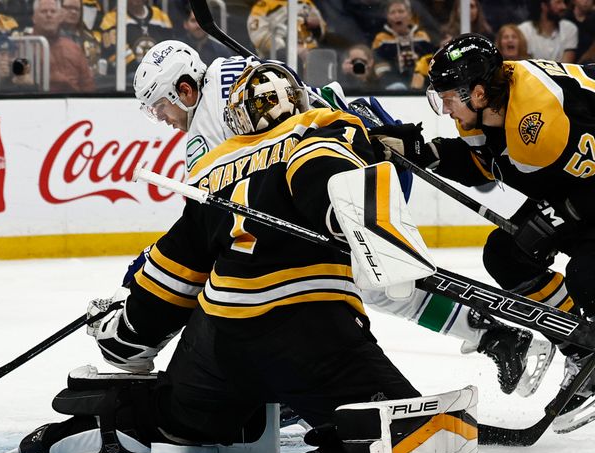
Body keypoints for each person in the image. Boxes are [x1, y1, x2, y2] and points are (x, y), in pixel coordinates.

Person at [17, 63, 479, 453]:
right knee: (428, 431)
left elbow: (172, 273)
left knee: (183, 416)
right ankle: (347, 452)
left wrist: (129, 331)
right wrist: (363, 225)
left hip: (216, 345)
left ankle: (121, 423)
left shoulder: (213, 168)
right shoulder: (320, 131)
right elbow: (325, 180)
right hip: (310, 335)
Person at [132, 40, 551, 398]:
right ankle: (497, 336)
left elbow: (210, 215)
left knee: (371, 282)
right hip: (357, 155)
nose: (164, 120)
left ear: (184, 89)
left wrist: (160, 263)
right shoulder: (233, 70)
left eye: (162, 107)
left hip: (337, 180)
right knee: (378, 284)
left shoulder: (202, 134)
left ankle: (496, 336)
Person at [372, 33, 595, 432]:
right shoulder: (492, 109)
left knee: (588, 275)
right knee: (506, 254)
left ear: (476, 92)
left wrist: (555, 219)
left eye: (448, 97)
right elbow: (485, 163)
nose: (444, 108)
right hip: (578, 185)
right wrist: (422, 151)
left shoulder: (538, 124)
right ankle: (583, 349)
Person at [99, 0, 174, 78]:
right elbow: (113, 51)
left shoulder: (160, 16)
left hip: (159, 73)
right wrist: (143, 72)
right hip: (129, 76)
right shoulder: (112, 18)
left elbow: (170, 47)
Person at [372, 0, 436, 90]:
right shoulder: (381, 39)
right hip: (394, 86)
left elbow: (431, 62)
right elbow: (379, 69)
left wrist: (418, 62)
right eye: (392, 12)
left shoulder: (422, 36)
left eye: (401, 11)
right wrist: (396, 63)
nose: (397, 15)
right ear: (387, 17)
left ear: (409, 15)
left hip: (422, 86)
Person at [246, 0, 326, 61]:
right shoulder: (262, 6)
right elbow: (260, 39)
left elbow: (323, 29)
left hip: (312, 56)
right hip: (279, 59)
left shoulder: (306, 3)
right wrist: (292, 49)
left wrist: (317, 25)